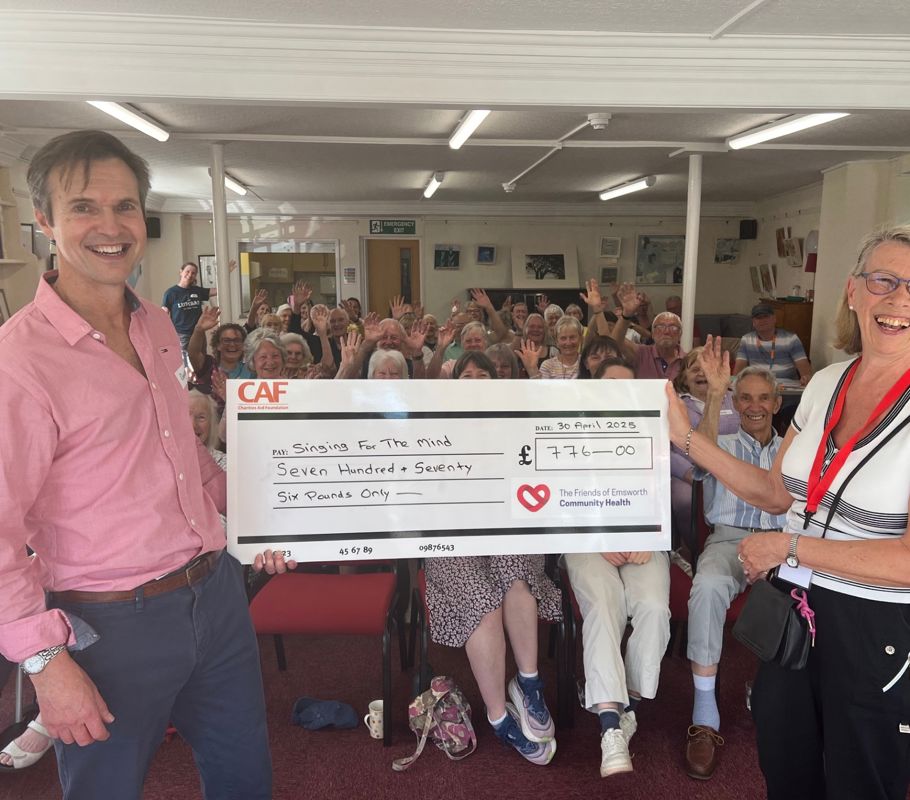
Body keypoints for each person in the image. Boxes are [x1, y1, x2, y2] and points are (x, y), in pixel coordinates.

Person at [0, 130, 292, 800]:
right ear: (45, 219)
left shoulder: (155, 325)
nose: (110, 226)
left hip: (216, 597)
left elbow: (182, 456)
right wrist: (44, 662)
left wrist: (270, 519)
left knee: (245, 780)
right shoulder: (19, 361)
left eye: (125, 206)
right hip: (109, 626)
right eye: (84, 207)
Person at [671, 227, 910, 800]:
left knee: (861, 780)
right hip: (794, 606)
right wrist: (687, 439)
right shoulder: (826, 383)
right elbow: (777, 493)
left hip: (874, 624)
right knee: (785, 764)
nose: (900, 298)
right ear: (853, 291)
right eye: (885, 280)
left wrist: (790, 547)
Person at [424, 355, 561, 765]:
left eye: (483, 375)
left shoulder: (517, 425)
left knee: (516, 573)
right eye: (466, 376)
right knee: (483, 601)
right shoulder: (432, 428)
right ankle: (499, 717)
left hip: (505, 528)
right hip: (450, 539)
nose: (475, 381)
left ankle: (528, 683)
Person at [679, 361, 788, 781]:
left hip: (781, 544)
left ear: (777, 403)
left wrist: (779, 550)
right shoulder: (719, 443)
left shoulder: (794, 452)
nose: (754, 406)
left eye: (763, 398)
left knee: (819, 590)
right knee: (707, 585)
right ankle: (704, 716)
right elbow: (697, 455)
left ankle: (777, 692)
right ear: (735, 403)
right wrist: (714, 393)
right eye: (745, 398)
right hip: (728, 541)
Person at [564, 356, 671, 777]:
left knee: (653, 608)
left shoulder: (652, 431)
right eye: (609, 384)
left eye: (626, 385)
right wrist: (597, 535)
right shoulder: (567, 428)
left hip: (642, 539)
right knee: (604, 606)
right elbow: (556, 499)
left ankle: (630, 704)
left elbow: (664, 494)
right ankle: (610, 726)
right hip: (586, 540)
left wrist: (649, 535)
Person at [670, 348, 741, 555]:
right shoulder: (675, 404)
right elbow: (666, 449)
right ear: (684, 377)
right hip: (689, 474)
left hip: (731, 472)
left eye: (707, 369)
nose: (702, 374)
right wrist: (688, 473)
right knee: (686, 500)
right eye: (695, 369)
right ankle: (694, 552)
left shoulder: (735, 400)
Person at [609, 282, 686, 380]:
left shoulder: (689, 360)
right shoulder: (641, 354)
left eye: (673, 327)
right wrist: (626, 314)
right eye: (660, 327)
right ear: (652, 334)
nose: (666, 331)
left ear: (680, 334)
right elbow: (615, 343)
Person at [733, 304, 812, 386]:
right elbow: (737, 374)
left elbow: (806, 373)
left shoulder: (791, 339)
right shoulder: (746, 340)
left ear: (774, 319)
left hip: (786, 387)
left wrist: (806, 378)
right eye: (758, 318)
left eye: (766, 316)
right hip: (757, 386)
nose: (762, 320)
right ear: (753, 322)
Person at [161, 261, 216, 352]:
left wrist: (225, 273)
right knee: (185, 359)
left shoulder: (197, 290)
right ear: (181, 272)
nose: (190, 275)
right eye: (187, 271)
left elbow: (217, 290)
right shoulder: (170, 293)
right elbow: (164, 314)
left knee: (201, 357)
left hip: (199, 332)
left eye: (193, 273)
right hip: (182, 334)